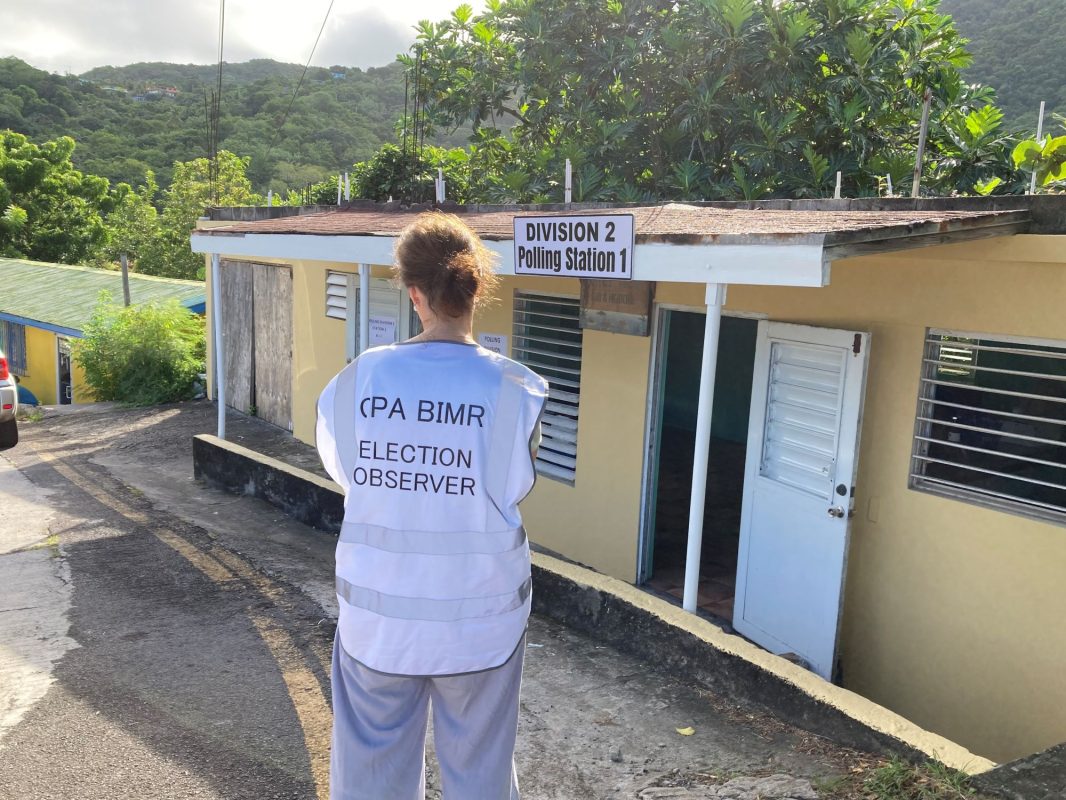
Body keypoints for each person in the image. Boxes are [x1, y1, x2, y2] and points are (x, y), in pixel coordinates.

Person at [316, 212, 548, 800]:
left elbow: (350, 477)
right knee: (481, 775)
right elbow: (515, 486)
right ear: (475, 291)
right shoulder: (518, 391)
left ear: (415, 294)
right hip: (482, 624)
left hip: (378, 625)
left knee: (370, 774)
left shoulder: (353, 382)